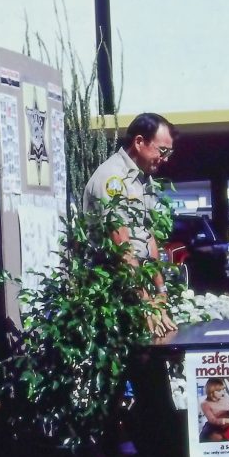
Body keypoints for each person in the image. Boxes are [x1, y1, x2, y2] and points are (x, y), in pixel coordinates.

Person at [82, 112, 177, 336]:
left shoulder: (144, 180)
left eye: (168, 153)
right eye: (162, 151)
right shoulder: (111, 179)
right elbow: (121, 247)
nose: (164, 158)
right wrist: (146, 302)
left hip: (139, 286)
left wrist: (160, 293)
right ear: (139, 142)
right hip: (114, 292)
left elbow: (147, 236)